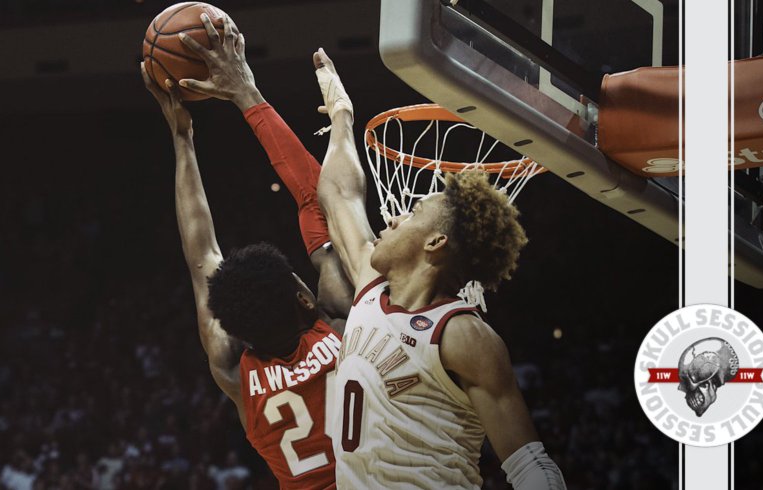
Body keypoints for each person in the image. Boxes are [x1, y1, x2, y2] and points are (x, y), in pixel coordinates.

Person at [313, 49, 567, 489]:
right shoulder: (371, 288)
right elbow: (338, 192)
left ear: (435, 242)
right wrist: (341, 112)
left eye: (410, 212)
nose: (392, 218)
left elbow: (529, 465)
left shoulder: (462, 335)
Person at [140, 12, 350, 489]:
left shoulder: (233, 370)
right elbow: (317, 198)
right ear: (304, 298)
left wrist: (181, 137)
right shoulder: (342, 329)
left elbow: (200, 257)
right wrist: (245, 93)